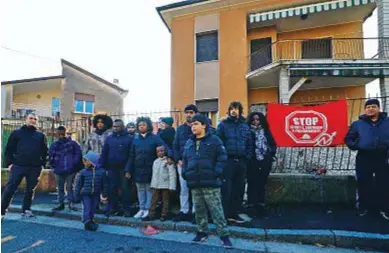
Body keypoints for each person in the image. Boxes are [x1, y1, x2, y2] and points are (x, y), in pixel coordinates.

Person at [182, 113, 232, 248]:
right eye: (192, 124)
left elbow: (222, 157)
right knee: (199, 210)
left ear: (204, 125)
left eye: (196, 124)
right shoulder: (189, 142)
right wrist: (185, 173)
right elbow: (185, 159)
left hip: (211, 182)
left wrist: (216, 172)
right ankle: (202, 233)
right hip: (195, 182)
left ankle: (224, 235)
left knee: (216, 210)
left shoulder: (215, 140)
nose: (193, 127)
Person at [345, 99, 389, 220]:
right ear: (365, 109)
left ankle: (385, 209)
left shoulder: (387, 122)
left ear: (379, 108)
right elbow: (349, 138)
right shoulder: (358, 124)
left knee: (385, 184)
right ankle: (363, 208)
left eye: (373, 106)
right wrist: (356, 145)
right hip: (364, 157)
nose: (370, 109)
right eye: (368, 107)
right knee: (363, 183)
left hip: (383, 158)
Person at [125, 116, 173, 219]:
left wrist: (169, 156)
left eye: (143, 125)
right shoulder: (135, 139)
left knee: (148, 189)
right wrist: (128, 169)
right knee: (140, 189)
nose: (141, 127)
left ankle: (147, 209)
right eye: (139, 125)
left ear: (148, 126)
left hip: (150, 168)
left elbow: (165, 147)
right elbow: (131, 155)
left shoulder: (154, 137)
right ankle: (141, 209)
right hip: (137, 168)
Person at [2, 113, 48, 219]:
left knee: (30, 190)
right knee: (10, 188)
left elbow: (45, 151)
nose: (33, 120)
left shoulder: (41, 136)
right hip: (18, 166)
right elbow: (9, 149)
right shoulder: (16, 133)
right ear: (26, 119)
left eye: (35, 119)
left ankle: (26, 210)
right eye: (31, 118)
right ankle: (2, 210)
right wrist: (9, 163)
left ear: (37, 121)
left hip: (34, 167)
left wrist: (42, 165)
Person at [216, 101, 253, 223]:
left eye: (236, 109)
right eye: (231, 108)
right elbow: (218, 143)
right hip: (228, 161)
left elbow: (249, 143)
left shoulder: (245, 126)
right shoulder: (223, 125)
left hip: (241, 161)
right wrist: (223, 158)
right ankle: (225, 215)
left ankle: (234, 213)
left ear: (240, 111)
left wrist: (246, 157)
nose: (234, 111)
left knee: (239, 189)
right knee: (226, 189)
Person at [246, 112, 277, 217]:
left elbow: (273, 144)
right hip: (252, 162)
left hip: (264, 161)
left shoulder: (266, 131)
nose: (256, 122)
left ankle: (260, 204)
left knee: (262, 183)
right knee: (252, 183)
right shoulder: (248, 131)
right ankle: (251, 205)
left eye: (258, 119)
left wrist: (270, 154)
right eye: (254, 120)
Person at [100, 119, 133, 217]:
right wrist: (101, 166)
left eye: (117, 126)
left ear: (122, 127)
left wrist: (128, 169)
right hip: (111, 168)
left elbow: (131, 155)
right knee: (111, 189)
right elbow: (104, 153)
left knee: (125, 189)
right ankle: (113, 208)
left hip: (124, 169)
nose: (115, 128)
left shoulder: (129, 138)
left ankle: (126, 209)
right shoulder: (109, 138)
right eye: (114, 126)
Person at [172, 104, 198, 222]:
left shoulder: (199, 128)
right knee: (184, 189)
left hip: (195, 164)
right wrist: (178, 160)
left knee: (195, 189)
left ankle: (195, 212)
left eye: (191, 112)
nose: (188, 115)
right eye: (187, 112)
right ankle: (184, 211)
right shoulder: (180, 129)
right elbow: (175, 146)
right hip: (182, 164)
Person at [49, 126, 83, 211]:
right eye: (59, 134)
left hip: (69, 169)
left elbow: (78, 154)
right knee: (61, 187)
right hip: (60, 169)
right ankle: (62, 203)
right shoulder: (55, 144)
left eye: (62, 134)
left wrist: (74, 163)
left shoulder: (73, 144)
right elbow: (50, 156)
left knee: (69, 187)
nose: (61, 136)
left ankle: (69, 203)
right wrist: (53, 166)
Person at [74, 151, 108, 231]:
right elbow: (78, 185)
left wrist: (104, 194)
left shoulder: (102, 172)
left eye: (86, 161)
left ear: (93, 162)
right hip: (85, 194)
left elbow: (104, 184)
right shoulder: (83, 172)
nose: (84, 163)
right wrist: (76, 195)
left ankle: (90, 221)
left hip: (96, 194)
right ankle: (87, 222)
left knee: (92, 209)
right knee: (87, 208)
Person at [146, 145, 176, 221]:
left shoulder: (168, 161)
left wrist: (172, 186)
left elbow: (172, 174)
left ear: (165, 151)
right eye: (158, 151)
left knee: (165, 200)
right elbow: (154, 174)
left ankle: (164, 214)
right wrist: (152, 184)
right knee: (153, 200)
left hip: (165, 184)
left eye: (162, 151)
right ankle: (151, 214)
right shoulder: (155, 162)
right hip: (156, 185)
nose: (160, 152)